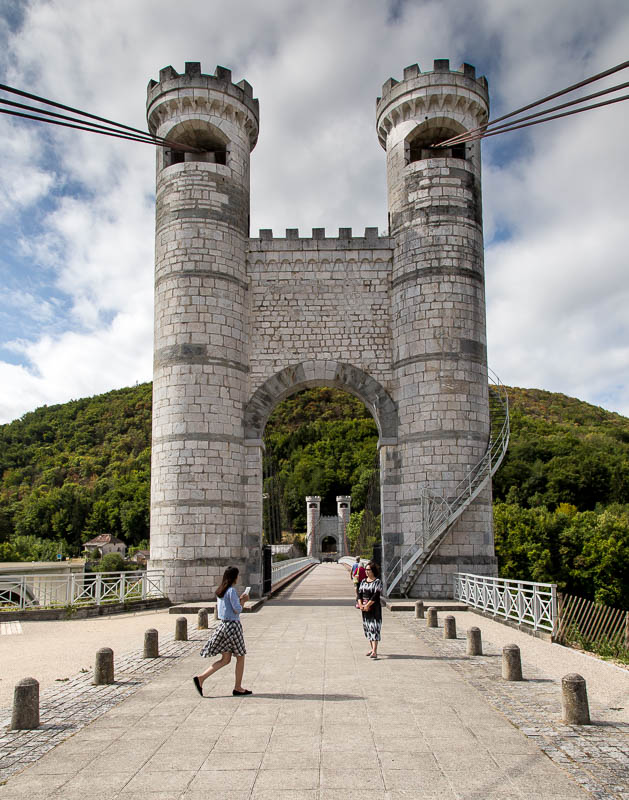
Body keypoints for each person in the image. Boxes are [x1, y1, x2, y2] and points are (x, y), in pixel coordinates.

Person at [193, 566, 251, 697]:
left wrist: (239, 600)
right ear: (234, 577)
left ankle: (201, 678)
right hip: (233, 627)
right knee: (241, 657)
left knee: (225, 659)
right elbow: (237, 610)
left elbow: (226, 609)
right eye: (237, 575)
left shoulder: (220, 591)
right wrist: (243, 601)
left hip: (223, 626)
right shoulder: (231, 591)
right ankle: (238, 687)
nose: (238, 578)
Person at [357, 560, 382, 659]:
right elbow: (359, 594)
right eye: (366, 570)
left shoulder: (377, 582)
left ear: (373, 571)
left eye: (369, 570)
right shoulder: (363, 581)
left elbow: (376, 595)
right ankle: (372, 649)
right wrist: (360, 604)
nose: (367, 572)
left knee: (374, 628)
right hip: (365, 609)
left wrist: (367, 605)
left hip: (374, 609)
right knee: (367, 629)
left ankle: (375, 651)